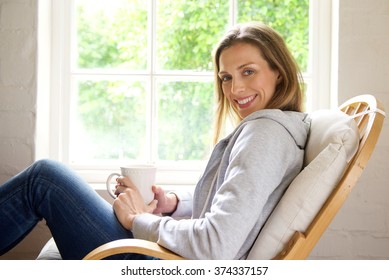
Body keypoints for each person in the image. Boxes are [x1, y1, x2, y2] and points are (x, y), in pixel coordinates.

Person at [0, 22, 310, 260]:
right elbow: (234, 203)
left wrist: (140, 219)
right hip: (171, 259)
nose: (235, 88)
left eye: (248, 72)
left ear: (279, 73)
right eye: (227, 77)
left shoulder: (265, 134)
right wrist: (173, 204)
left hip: (165, 265)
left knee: (44, 180)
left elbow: (216, 244)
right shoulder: (273, 131)